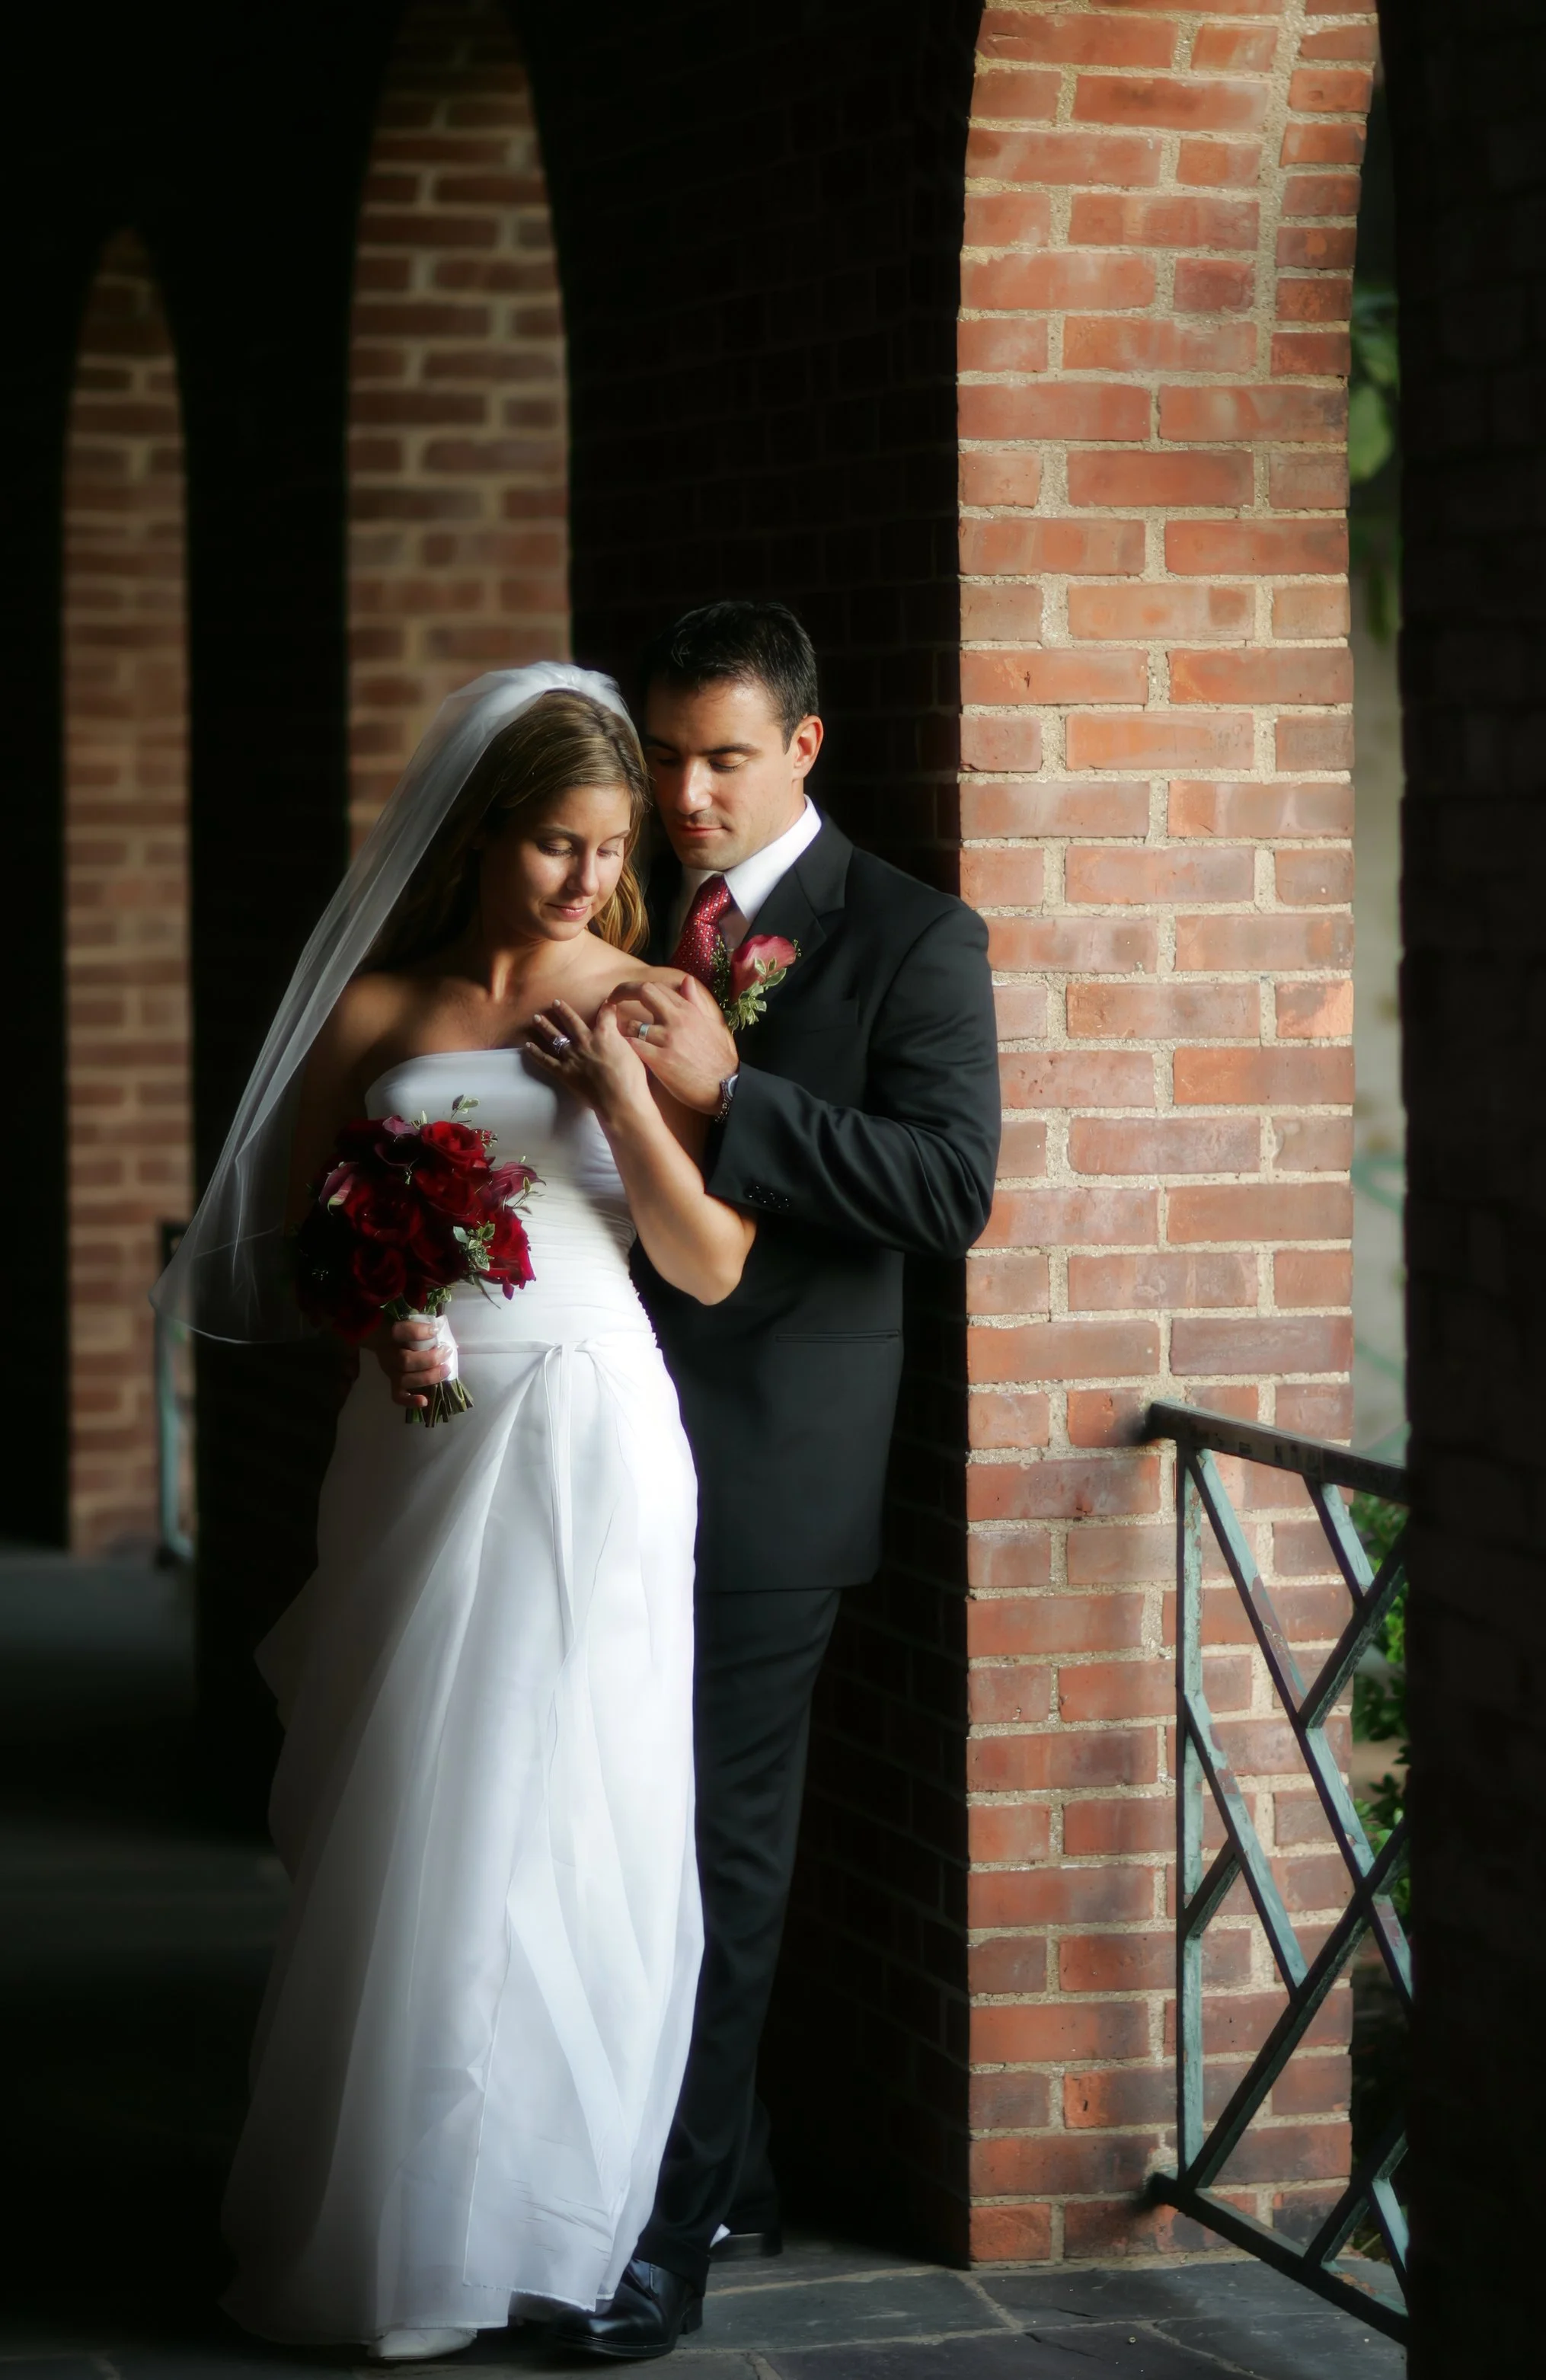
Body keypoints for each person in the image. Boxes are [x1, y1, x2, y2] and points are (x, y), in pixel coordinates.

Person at [155, 666, 749, 2359]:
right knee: (407, 1804)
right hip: (415, 1429)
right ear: (483, 831)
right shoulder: (381, 1011)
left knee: (570, 1810)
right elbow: (293, 1254)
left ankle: (545, 2218)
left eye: (609, 847)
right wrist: (386, 1313)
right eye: (556, 843)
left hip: (596, 1427)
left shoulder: (650, 998)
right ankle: (390, 2220)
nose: (584, 878)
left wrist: (628, 1093)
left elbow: (710, 1258)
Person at [570, 600, 1002, 2355]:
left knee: (716, 1848)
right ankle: (726, 2155)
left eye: (722, 755)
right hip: (585, 1430)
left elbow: (946, 1189)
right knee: (595, 1814)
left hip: (772, 1465)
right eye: (663, 752)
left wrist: (732, 1083)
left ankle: (662, 2236)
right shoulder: (601, 903)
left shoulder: (910, 935)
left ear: (803, 747)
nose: (683, 790)